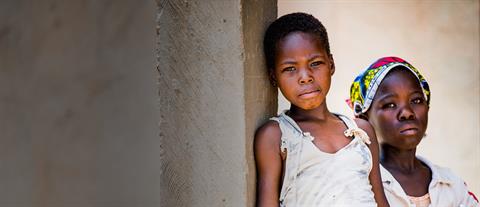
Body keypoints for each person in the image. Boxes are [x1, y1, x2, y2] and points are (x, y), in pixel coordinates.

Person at [254, 12, 389, 207]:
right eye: (290, 68)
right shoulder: (277, 136)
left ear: (331, 64)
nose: (305, 77)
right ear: (273, 77)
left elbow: (380, 201)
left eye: (315, 64)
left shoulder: (361, 132)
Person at [349, 56, 479, 207]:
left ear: (427, 108)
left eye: (416, 101)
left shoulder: (451, 184)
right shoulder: (359, 185)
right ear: (364, 117)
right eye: (390, 104)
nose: (407, 112)